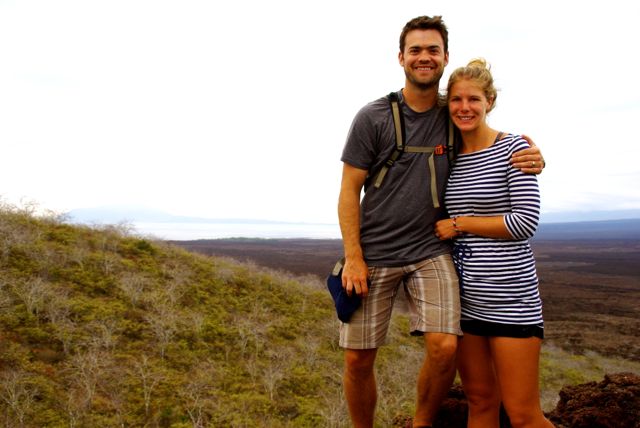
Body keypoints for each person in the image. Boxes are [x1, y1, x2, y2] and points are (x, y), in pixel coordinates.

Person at [338, 16, 546, 428]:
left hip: (432, 251)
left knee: (444, 346)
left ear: (444, 58)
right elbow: (349, 190)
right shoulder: (373, 117)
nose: (424, 57)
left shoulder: (451, 113)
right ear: (401, 57)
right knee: (358, 358)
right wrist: (353, 256)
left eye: (433, 50)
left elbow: (491, 139)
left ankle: (422, 423)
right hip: (375, 251)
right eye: (415, 50)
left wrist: (534, 155)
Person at [434, 58, 554, 428]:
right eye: (456, 100)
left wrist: (460, 223)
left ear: (489, 101)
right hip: (466, 303)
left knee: (522, 415)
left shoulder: (513, 149)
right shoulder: (449, 156)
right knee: (480, 402)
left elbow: (524, 223)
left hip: (511, 301)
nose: (464, 107)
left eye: (473, 99)